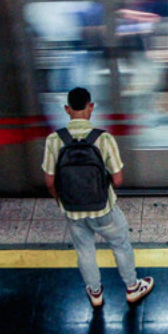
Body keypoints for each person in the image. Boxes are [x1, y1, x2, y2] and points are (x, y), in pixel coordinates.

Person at [42, 87, 154, 309]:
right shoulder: (104, 139)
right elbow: (118, 179)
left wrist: (62, 201)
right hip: (104, 208)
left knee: (85, 251)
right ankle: (132, 288)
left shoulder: (54, 140)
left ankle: (95, 293)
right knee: (120, 245)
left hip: (72, 209)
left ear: (67, 109)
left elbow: (49, 182)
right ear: (91, 107)